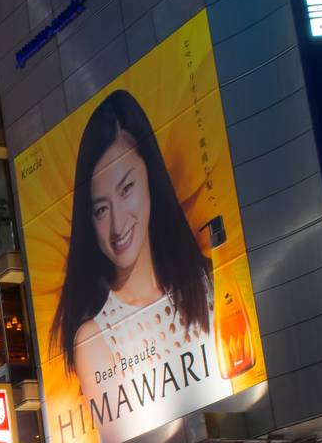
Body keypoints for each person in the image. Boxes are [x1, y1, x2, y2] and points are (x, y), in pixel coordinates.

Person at [51, 88, 215, 402]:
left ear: (150, 176)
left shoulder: (207, 281)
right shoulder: (93, 337)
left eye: (127, 188)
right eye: (101, 208)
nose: (117, 225)